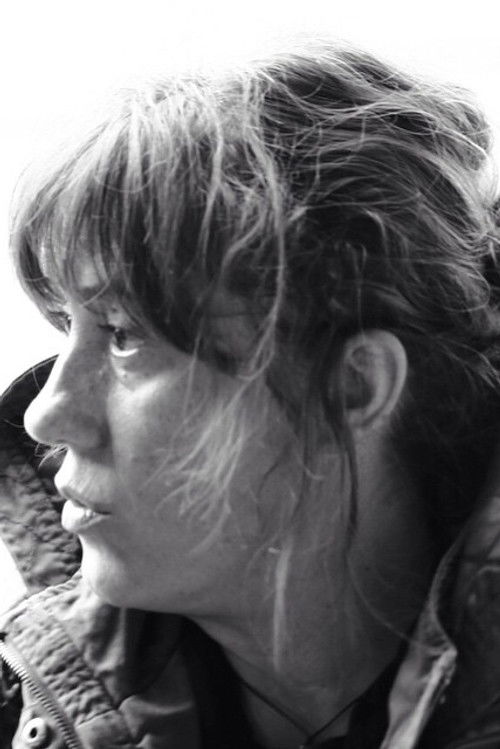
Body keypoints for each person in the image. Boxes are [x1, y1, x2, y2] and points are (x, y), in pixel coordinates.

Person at [1, 40, 500, 749]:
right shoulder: (28, 707)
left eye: (124, 335)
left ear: (352, 385)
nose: (45, 414)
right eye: (65, 326)